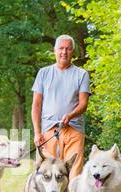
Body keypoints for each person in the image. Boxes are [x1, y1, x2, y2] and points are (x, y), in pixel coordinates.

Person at [31, 34, 91, 180]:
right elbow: (36, 105)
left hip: (74, 130)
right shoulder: (43, 73)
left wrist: (70, 116)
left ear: (73, 52)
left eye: (68, 49)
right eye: (61, 48)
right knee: (50, 174)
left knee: (74, 173)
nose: (64, 52)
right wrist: (37, 132)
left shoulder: (81, 74)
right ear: (55, 50)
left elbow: (83, 104)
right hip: (49, 131)